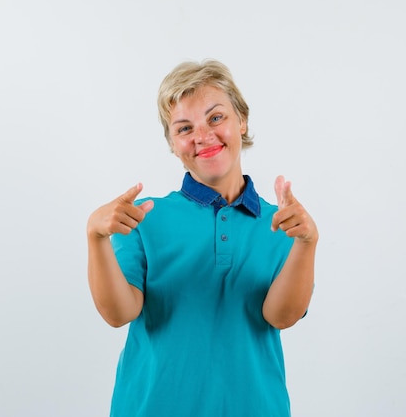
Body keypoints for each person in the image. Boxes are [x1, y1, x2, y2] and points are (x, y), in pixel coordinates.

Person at [86, 59, 318, 417]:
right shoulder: (143, 217)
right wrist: (96, 237)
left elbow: (281, 316)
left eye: (216, 118)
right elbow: (119, 313)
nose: (202, 136)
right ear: (173, 144)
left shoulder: (283, 222)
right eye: (184, 128)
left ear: (241, 120)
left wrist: (306, 243)